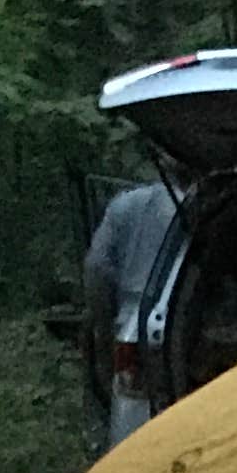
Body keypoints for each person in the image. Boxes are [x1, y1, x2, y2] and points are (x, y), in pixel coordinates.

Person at [82, 173, 179, 439]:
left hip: (138, 328)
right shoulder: (197, 205)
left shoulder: (127, 206)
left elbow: (97, 270)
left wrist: (103, 328)